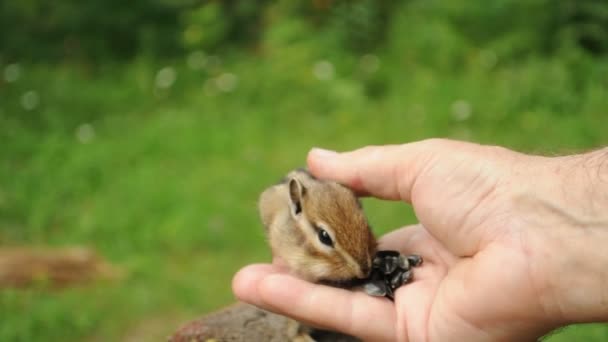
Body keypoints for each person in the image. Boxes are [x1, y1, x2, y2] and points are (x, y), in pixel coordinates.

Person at [232, 138, 608, 341]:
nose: (364, 267)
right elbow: (270, 206)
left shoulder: (346, 216)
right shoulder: (287, 215)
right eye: (327, 238)